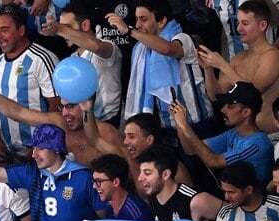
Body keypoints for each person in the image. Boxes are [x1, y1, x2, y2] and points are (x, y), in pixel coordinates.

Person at [114, 0, 212, 131]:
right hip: (167, 126)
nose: (137, 24)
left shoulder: (182, 38)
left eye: (143, 19)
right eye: (136, 19)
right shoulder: (141, 49)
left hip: (197, 123)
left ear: (161, 21)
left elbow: (168, 49)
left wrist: (129, 31)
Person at [197, 0, 279, 132]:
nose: (239, 28)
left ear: (262, 25)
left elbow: (252, 95)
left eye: (245, 23)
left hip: (271, 136)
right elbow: (215, 95)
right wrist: (208, 69)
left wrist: (223, 65)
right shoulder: (237, 59)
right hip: (243, 134)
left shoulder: (272, 56)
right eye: (238, 23)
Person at [0, 3, 60, 155]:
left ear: (21, 30)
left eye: (4, 30)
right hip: (7, 154)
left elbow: (57, 105)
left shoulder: (41, 59)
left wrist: (39, 145)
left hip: (39, 153)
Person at [172, 82, 273, 184]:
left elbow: (213, 162)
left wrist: (184, 125)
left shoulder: (258, 144)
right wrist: (179, 122)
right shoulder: (233, 133)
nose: (223, 109)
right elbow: (190, 150)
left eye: (230, 106)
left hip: (253, 196)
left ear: (246, 112)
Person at [40, 4, 122, 125]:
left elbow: (96, 45)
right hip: (84, 124)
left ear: (85, 25)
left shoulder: (108, 47)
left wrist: (60, 29)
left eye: (68, 28)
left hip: (108, 123)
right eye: (62, 29)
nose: (64, 34)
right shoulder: (72, 59)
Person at [136, 145, 201, 221]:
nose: (140, 178)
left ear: (166, 174)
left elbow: (221, 214)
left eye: (147, 173)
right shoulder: (153, 196)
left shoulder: (194, 200)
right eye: (140, 172)